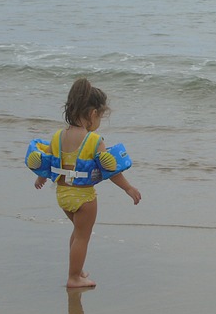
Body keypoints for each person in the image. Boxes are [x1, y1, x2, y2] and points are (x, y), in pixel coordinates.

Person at [34, 78, 141, 288]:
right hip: (84, 197)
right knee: (83, 236)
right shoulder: (94, 141)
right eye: (101, 117)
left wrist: (40, 178)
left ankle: (77, 269)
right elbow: (110, 170)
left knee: (77, 232)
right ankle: (74, 277)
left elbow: (47, 162)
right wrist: (128, 188)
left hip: (63, 195)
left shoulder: (58, 136)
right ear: (93, 114)